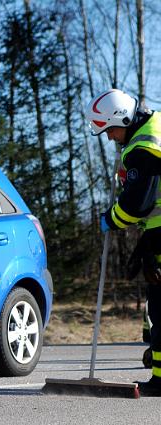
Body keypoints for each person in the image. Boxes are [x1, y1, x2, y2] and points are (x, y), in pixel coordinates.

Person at [86, 88, 161, 396]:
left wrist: (111, 218)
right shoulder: (155, 129)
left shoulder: (144, 147)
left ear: (125, 119)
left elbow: (136, 205)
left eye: (110, 130)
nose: (110, 137)